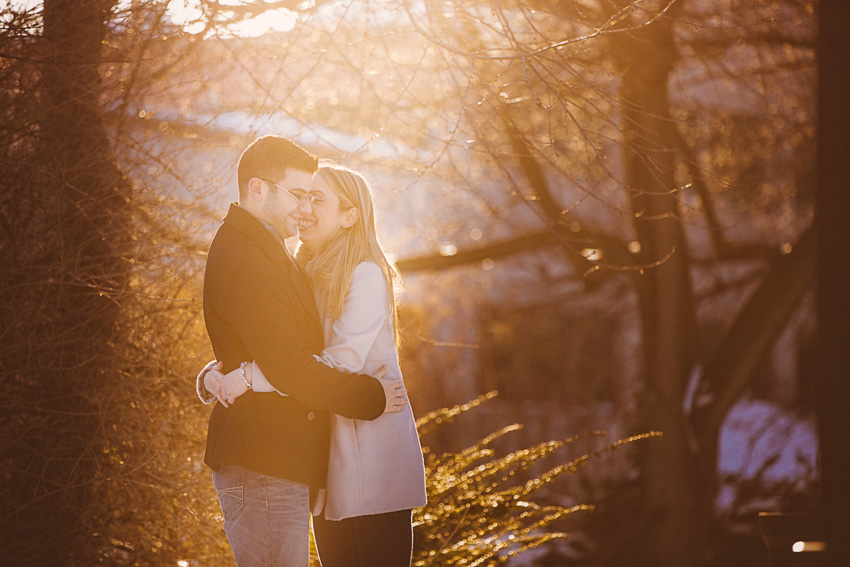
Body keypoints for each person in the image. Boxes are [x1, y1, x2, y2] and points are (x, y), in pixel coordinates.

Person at [198, 136, 407, 567]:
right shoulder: (252, 256)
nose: (303, 209)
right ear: (259, 189)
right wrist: (371, 396)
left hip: (306, 458)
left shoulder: (274, 254)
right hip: (267, 457)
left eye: (314, 199)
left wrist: (232, 375)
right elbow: (292, 362)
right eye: (298, 195)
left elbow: (283, 350)